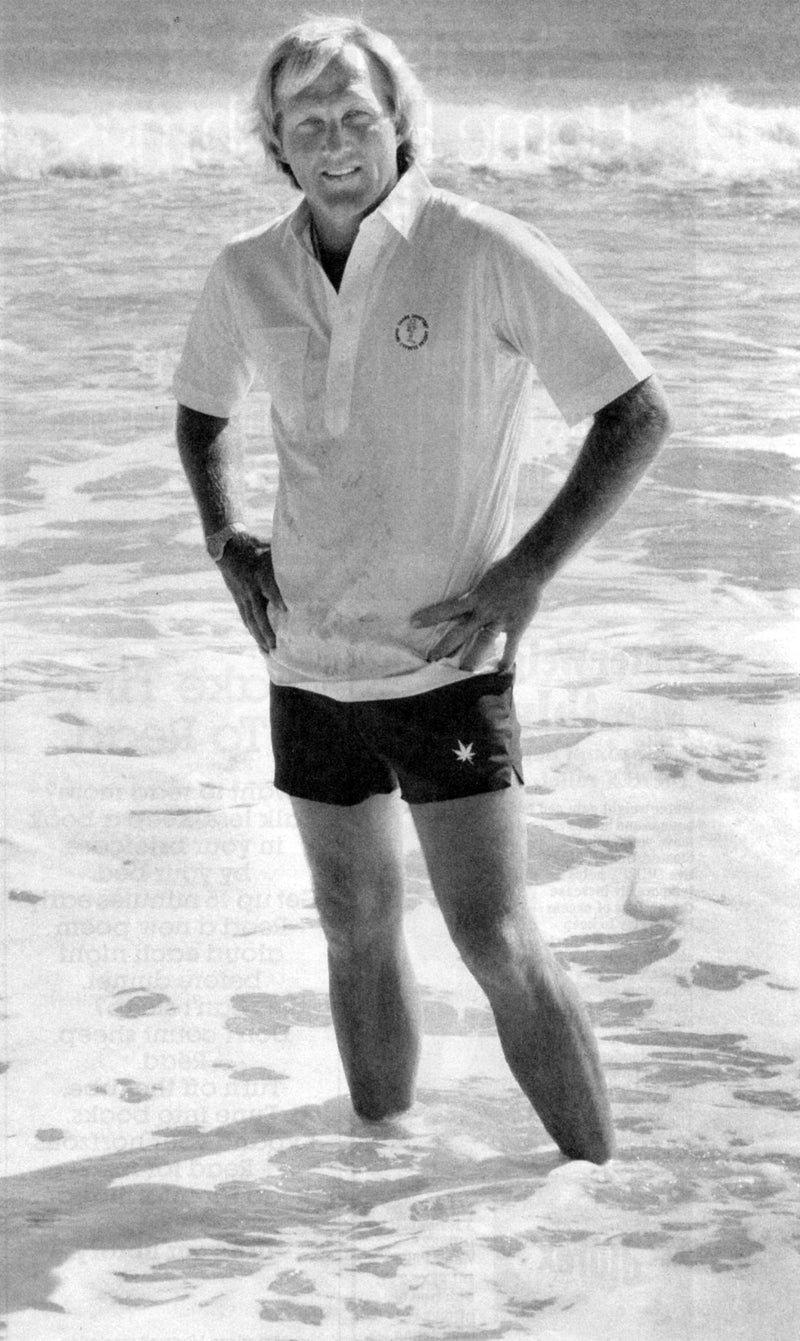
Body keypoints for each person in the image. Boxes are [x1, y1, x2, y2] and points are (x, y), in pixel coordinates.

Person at [174, 17, 672, 1165]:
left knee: (492, 937)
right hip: (305, 657)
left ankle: (599, 1195)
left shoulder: (480, 247)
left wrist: (524, 571)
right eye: (307, 122)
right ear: (274, 142)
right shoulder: (246, 269)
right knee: (352, 925)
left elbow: (634, 411)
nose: (334, 141)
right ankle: (374, 1180)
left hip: (443, 660)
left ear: (398, 122)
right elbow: (200, 414)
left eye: (356, 115)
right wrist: (223, 537)